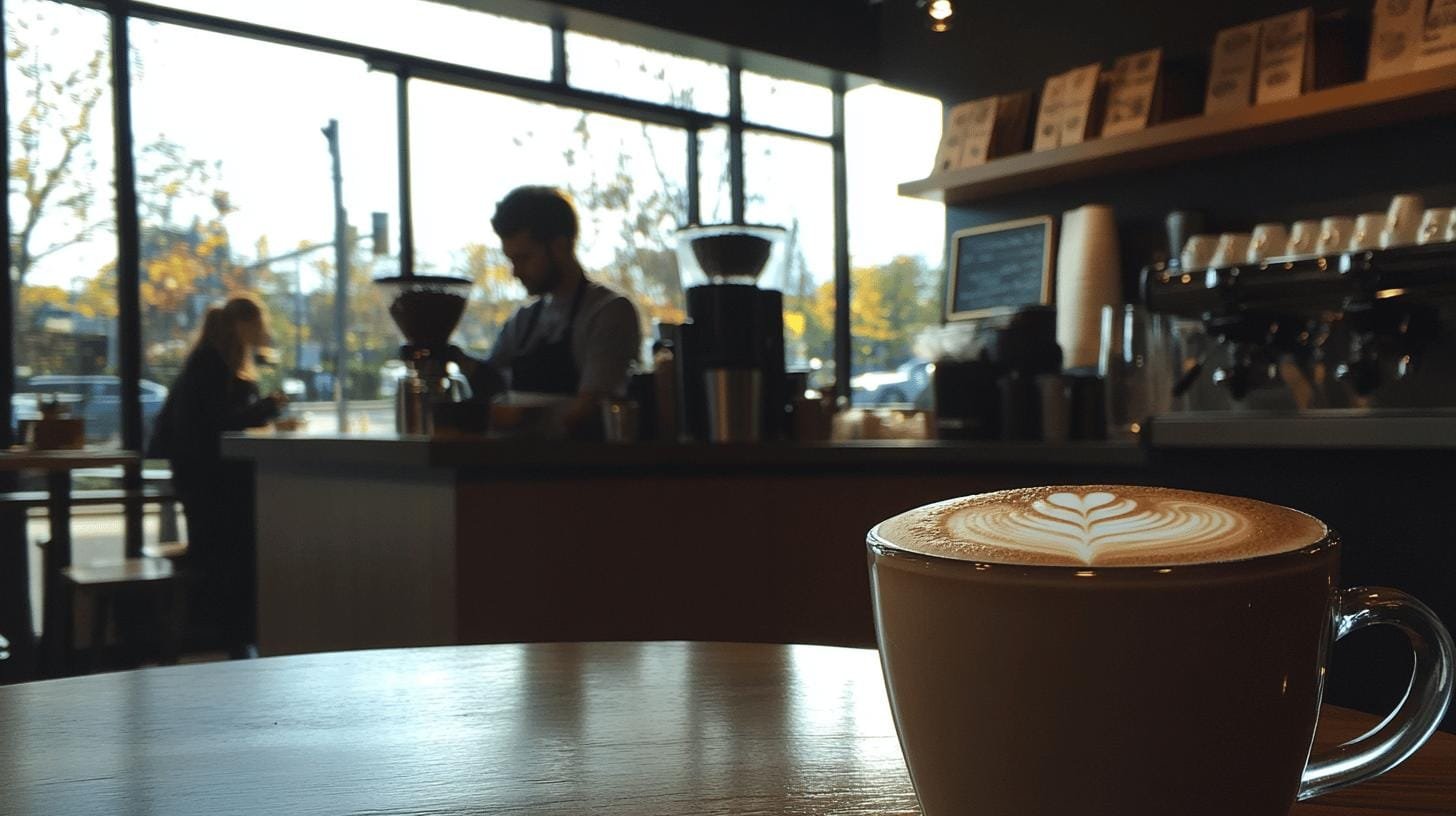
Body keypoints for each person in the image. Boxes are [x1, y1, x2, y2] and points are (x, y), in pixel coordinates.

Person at [147, 295, 287, 658]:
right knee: (238, 556)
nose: (264, 333)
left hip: (200, 486)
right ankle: (238, 638)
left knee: (228, 557)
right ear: (243, 327)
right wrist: (268, 408)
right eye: (258, 325)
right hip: (214, 490)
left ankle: (235, 639)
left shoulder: (206, 364)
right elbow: (220, 426)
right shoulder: (215, 370)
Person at [451, 186, 642, 437]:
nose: (515, 272)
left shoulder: (609, 311)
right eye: (511, 260)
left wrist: (511, 417)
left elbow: (589, 410)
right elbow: (493, 383)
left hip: (582, 470)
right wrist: (456, 359)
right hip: (514, 468)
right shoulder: (524, 319)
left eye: (524, 258)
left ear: (561, 246)